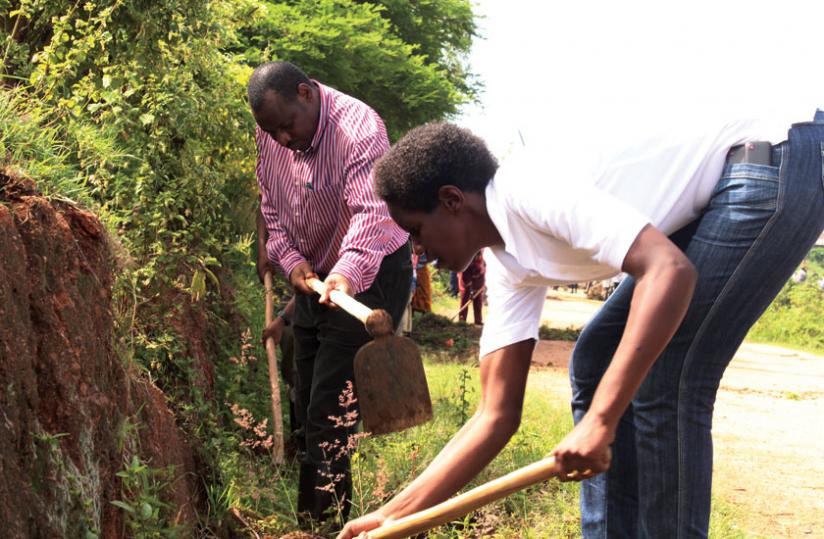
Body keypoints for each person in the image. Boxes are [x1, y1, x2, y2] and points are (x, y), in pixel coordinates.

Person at [337, 112, 824, 538]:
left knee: (665, 376)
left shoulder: (528, 189)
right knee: (594, 364)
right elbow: (494, 415)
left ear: (451, 200)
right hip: (730, 182)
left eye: (416, 231)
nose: (417, 252)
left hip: (773, 158)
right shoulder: (510, 266)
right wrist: (394, 515)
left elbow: (667, 270)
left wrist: (601, 421)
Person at [247, 61, 412, 523]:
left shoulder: (359, 127)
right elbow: (272, 214)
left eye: (286, 126)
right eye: (270, 131)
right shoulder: (271, 133)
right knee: (305, 396)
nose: (281, 139)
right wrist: (289, 258)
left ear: (306, 93)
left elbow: (372, 213)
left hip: (372, 268)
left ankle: (324, 525)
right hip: (312, 272)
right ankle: (314, 518)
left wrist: (347, 271)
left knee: (328, 406)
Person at [458, 250, 485, 325]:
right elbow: (465, 275)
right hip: (467, 281)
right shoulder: (466, 260)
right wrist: (470, 289)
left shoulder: (482, 258)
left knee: (478, 301)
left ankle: (478, 320)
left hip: (478, 281)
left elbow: (483, 269)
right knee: (465, 299)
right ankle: (462, 320)